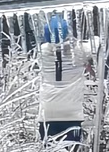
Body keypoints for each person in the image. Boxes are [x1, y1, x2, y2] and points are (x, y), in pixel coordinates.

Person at [38, 15, 95, 147]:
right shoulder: (80, 51)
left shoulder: (43, 51)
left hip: (47, 115)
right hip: (72, 115)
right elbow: (97, 42)